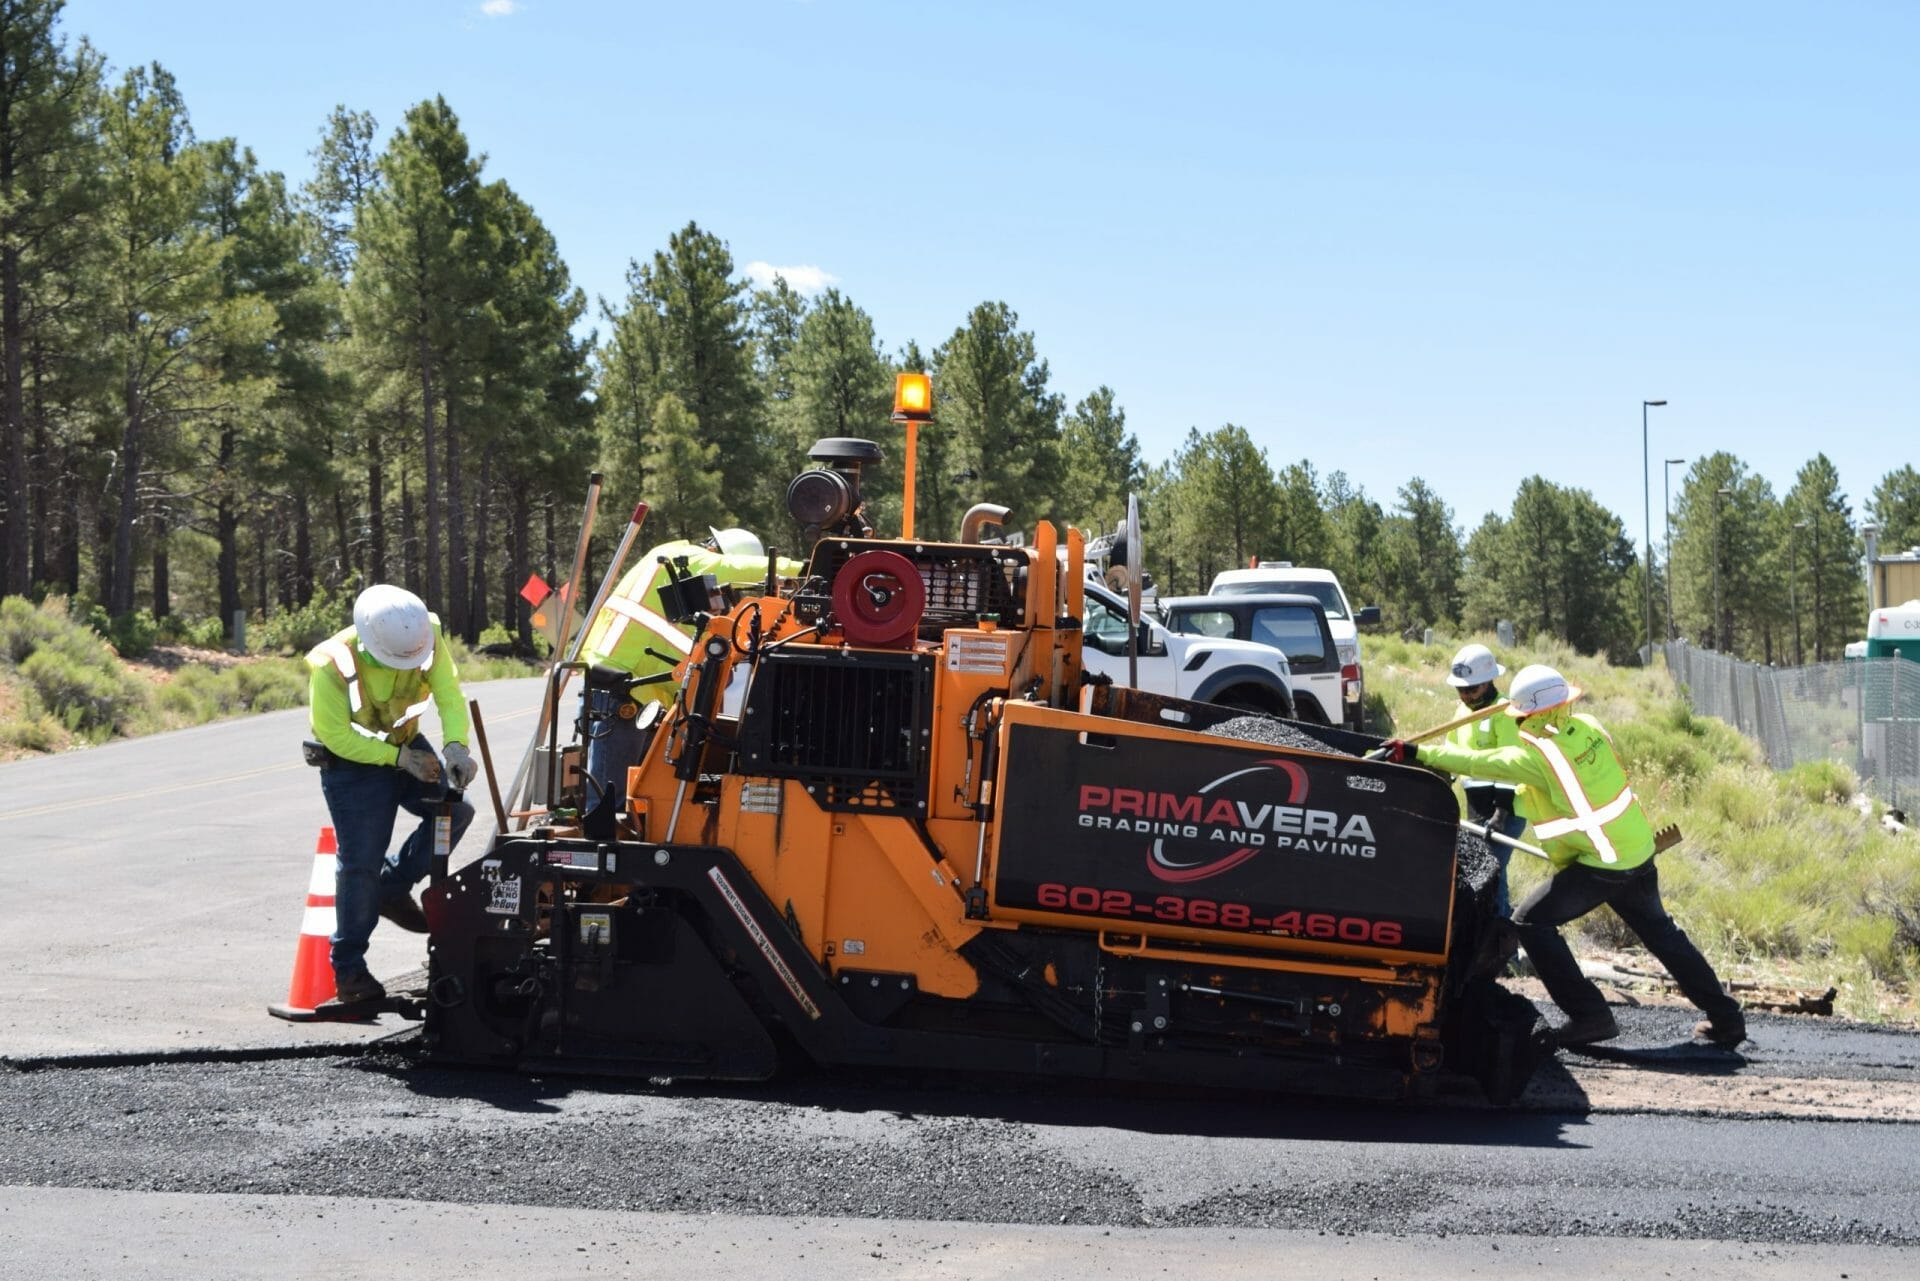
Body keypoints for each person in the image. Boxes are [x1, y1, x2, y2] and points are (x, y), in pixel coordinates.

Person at [1382, 663, 1745, 1049]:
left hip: (1602, 863)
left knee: (1530, 921)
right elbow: (1566, 790)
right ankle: (1728, 1021)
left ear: (1531, 714)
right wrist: (1518, 799)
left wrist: (1417, 751)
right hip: (1635, 848)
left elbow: (1481, 763)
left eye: (1521, 716)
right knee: (1664, 936)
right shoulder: (1588, 727)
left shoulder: (1539, 758)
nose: (1518, 721)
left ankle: (1590, 1017)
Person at [306, 584, 477, 1005]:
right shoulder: (333, 665)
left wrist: (456, 745)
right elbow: (336, 736)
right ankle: (349, 971)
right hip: (353, 763)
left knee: (454, 813)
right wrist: (399, 759)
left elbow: (449, 695)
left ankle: (392, 886)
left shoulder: (424, 635)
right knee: (360, 862)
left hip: (406, 744)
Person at [578, 526, 800, 704]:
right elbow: (740, 568)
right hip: (617, 684)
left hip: (633, 688)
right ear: (717, 551)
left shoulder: (686, 594)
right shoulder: (690, 558)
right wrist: (804, 569)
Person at [1442, 643, 1527, 918]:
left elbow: (1511, 765)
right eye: (1461, 690)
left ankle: (1504, 953)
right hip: (1476, 810)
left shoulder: (1505, 712)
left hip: (1504, 810)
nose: (1465, 695)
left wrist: (1501, 813)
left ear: (1489, 681)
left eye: (1472, 689)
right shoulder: (1462, 712)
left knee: (1492, 877)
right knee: (1478, 875)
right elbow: (1449, 753)